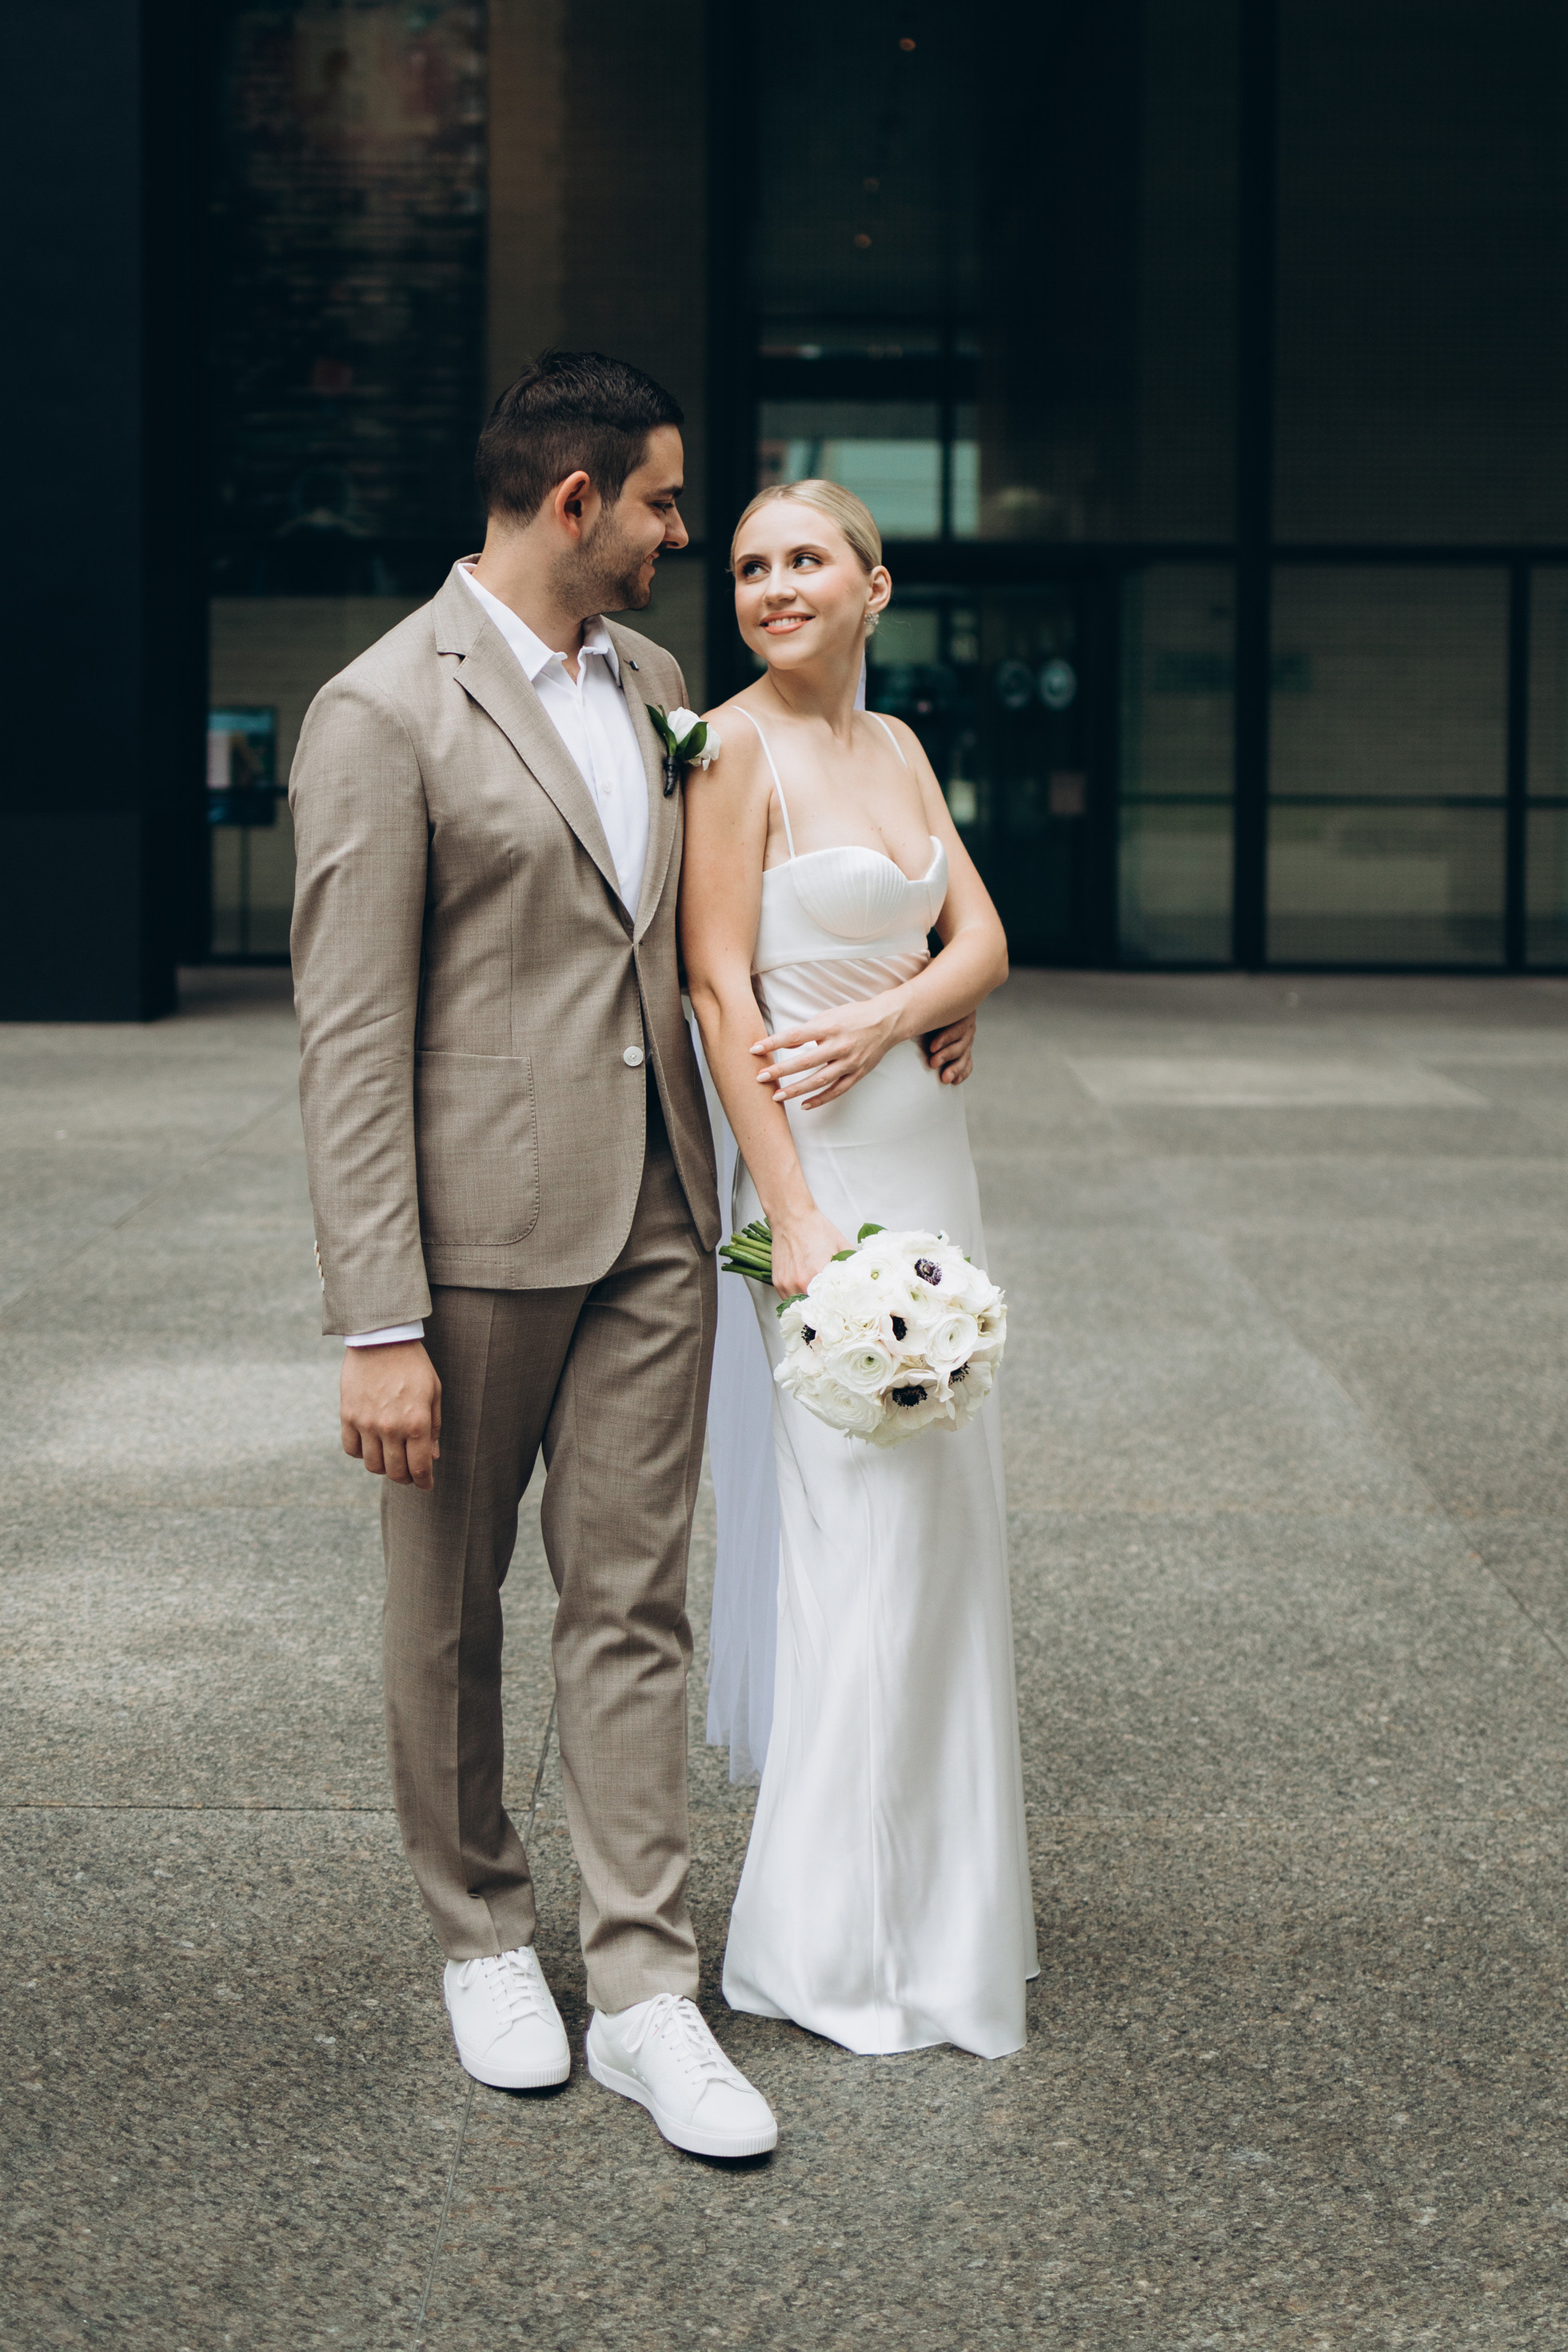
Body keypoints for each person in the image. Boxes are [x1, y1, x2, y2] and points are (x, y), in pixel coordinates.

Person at [289, 349, 778, 2158]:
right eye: (660, 501)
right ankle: (482, 1935)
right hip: (473, 1236)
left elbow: (698, 929)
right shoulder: (376, 712)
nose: (681, 531)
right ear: (572, 503)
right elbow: (348, 1034)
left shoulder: (656, 682)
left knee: (631, 1597)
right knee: (445, 1605)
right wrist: (375, 1320)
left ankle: (649, 1988)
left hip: (659, 1209)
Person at [681, 478, 1039, 2059]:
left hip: (926, 1172)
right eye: (751, 564)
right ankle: (819, 1947)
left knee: (942, 1547)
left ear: (871, 586)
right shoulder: (722, 744)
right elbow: (710, 982)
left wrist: (905, 1006)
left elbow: (982, 940)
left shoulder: (892, 748)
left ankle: (942, 1931)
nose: (772, 584)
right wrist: (792, 1220)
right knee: (859, 1552)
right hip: (813, 1192)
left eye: (803, 558)